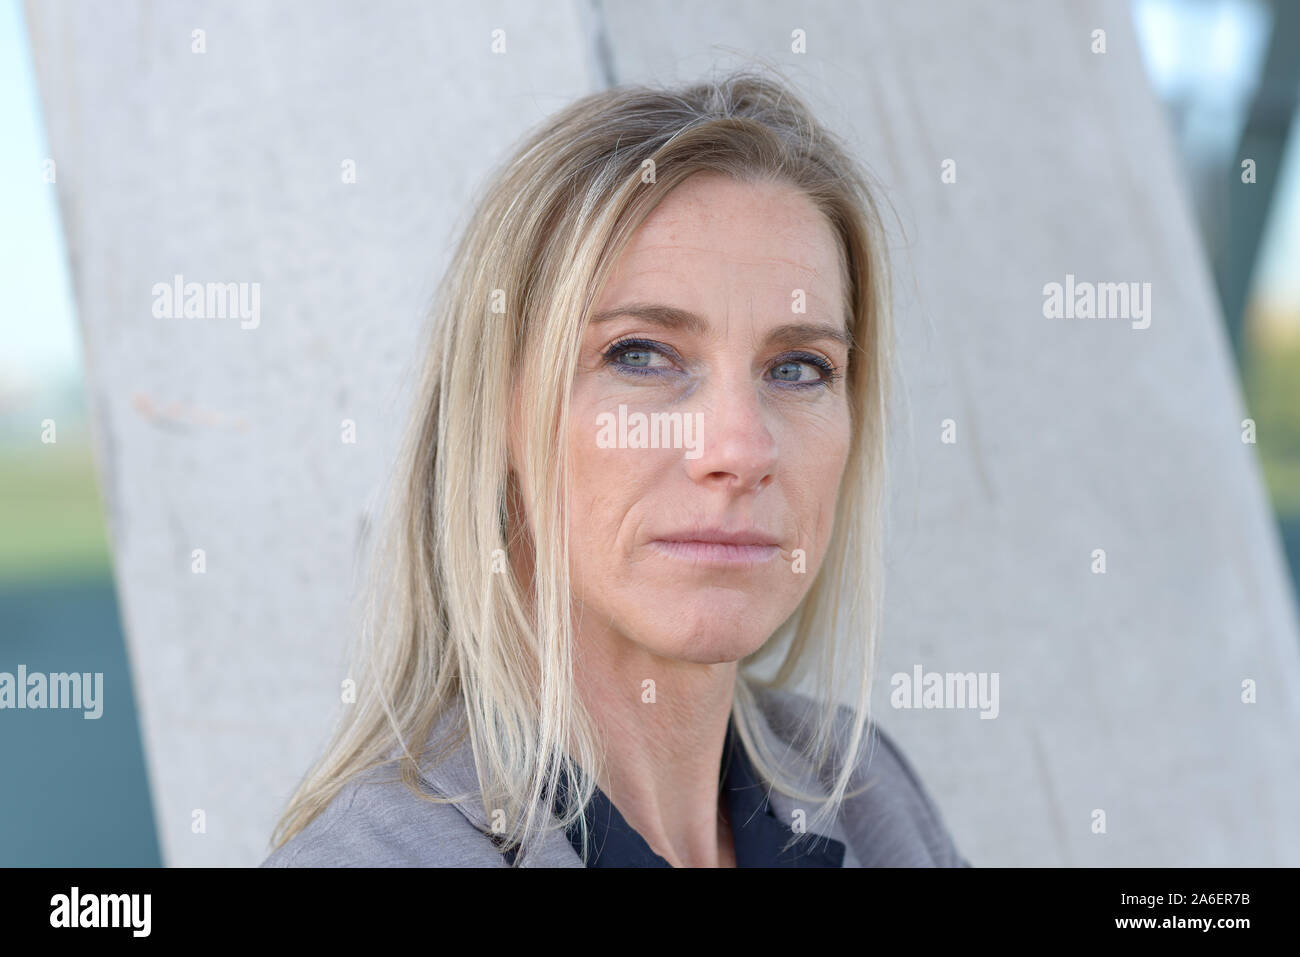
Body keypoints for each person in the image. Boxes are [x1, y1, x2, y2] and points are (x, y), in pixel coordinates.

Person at [263, 67, 970, 868]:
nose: (739, 449)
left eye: (800, 367)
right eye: (641, 354)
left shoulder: (865, 794)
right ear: (495, 410)